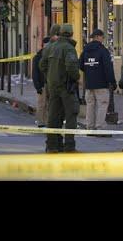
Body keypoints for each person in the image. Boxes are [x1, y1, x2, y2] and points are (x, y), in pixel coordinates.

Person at [39, 24, 81, 154]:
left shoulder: (50, 47)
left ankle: (52, 146)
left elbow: (42, 65)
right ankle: (69, 146)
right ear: (71, 34)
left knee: (53, 116)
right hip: (66, 86)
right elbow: (71, 67)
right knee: (71, 114)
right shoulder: (69, 48)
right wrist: (77, 77)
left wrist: (50, 77)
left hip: (53, 86)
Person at [79, 29, 115, 136]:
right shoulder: (103, 51)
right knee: (102, 105)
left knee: (90, 105)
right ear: (98, 37)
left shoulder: (85, 50)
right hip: (101, 84)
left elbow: (80, 64)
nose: (103, 39)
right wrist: (112, 82)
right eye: (102, 37)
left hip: (89, 83)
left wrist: (89, 70)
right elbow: (108, 68)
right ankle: (100, 128)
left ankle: (90, 127)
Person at [32, 36, 50, 128]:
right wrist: (37, 86)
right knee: (41, 103)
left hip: (50, 83)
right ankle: (40, 121)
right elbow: (35, 73)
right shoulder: (38, 57)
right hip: (42, 83)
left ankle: (47, 121)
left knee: (48, 104)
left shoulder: (52, 55)